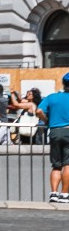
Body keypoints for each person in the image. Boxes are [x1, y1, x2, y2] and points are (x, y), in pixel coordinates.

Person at [41, 75, 69, 204]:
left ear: (63, 83)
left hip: (55, 131)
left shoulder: (52, 97)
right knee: (67, 165)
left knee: (56, 165)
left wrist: (47, 120)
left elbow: (39, 111)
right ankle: (64, 194)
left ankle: (53, 193)